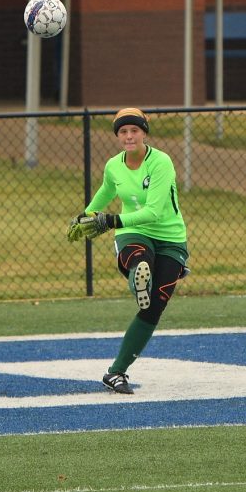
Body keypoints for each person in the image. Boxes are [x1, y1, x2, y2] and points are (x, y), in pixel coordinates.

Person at [67, 108, 189, 394]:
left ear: (144, 133)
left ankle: (115, 372)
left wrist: (111, 220)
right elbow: (107, 191)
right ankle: (139, 277)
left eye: (134, 130)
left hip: (170, 236)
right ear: (118, 137)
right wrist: (87, 213)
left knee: (154, 306)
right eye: (123, 131)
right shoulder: (114, 165)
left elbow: (154, 212)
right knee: (138, 258)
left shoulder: (160, 162)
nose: (129, 136)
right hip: (134, 233)